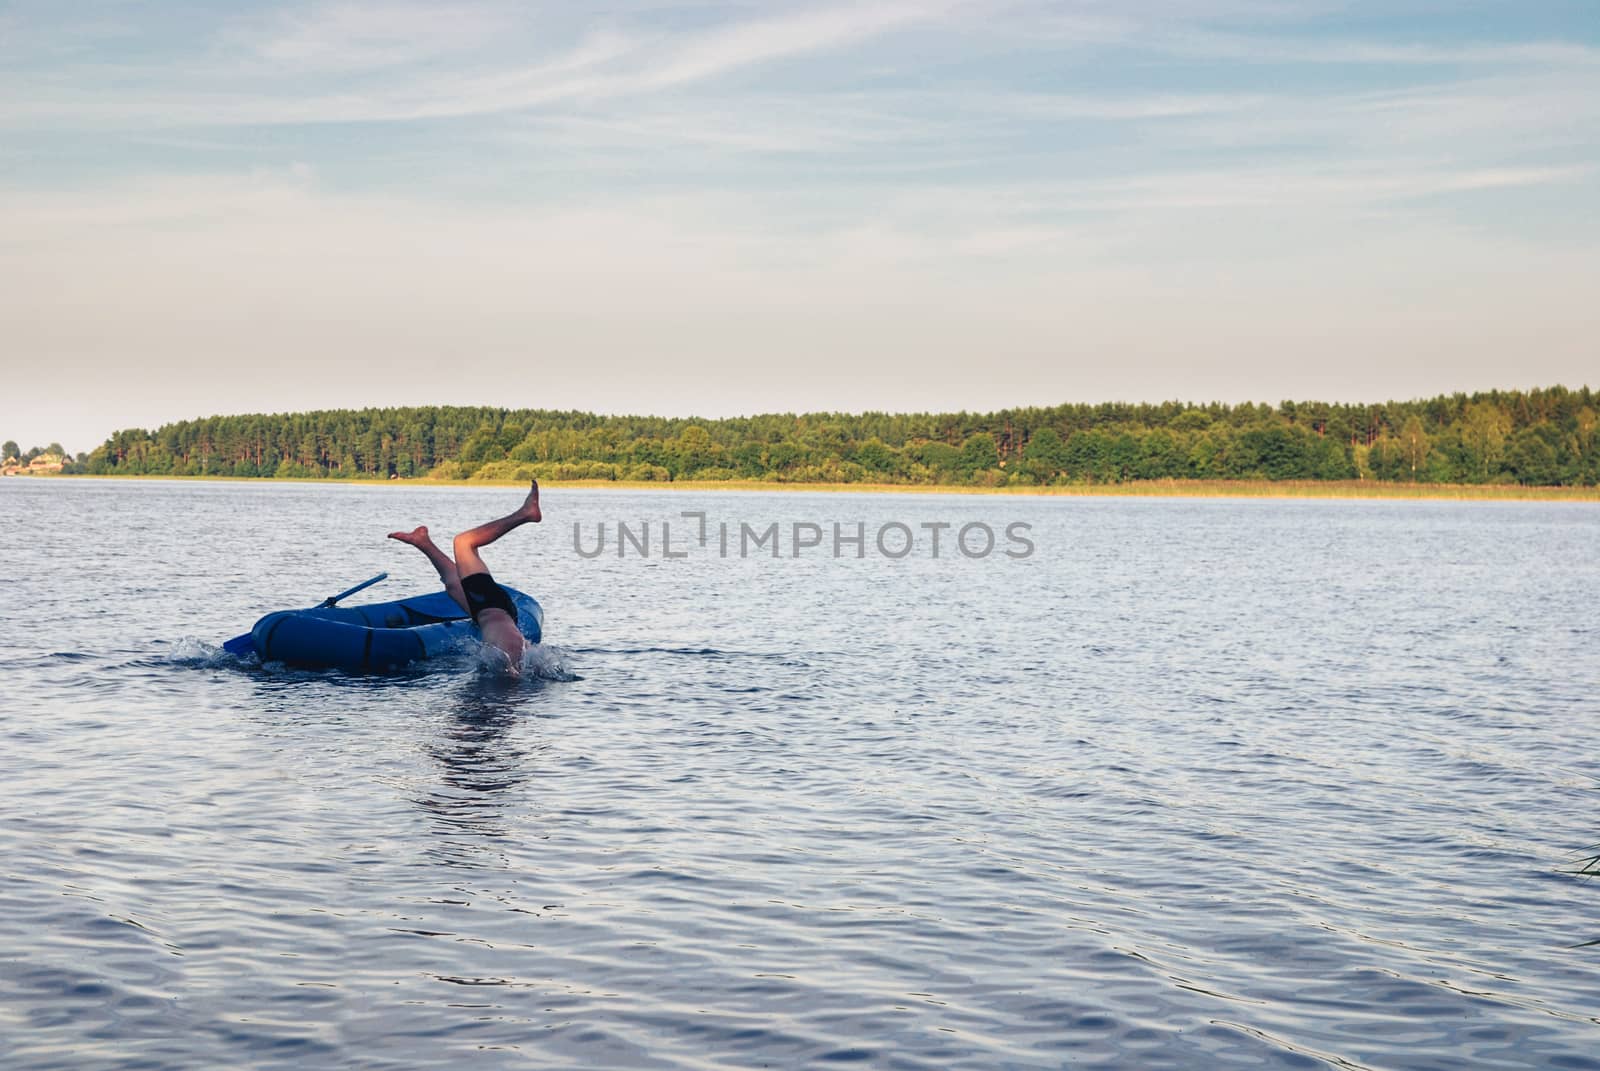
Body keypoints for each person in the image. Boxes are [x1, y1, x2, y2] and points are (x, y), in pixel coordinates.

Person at [388, 480, 543, 672]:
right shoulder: (511, 649)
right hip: (493, 608)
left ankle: (423, 542)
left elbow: (517, 651)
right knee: (464, 543)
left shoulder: (511, 652)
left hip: (487, 613)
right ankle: (525, 514)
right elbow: (515, 648)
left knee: (454, 586)